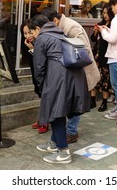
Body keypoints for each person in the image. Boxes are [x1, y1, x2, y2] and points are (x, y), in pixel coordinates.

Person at [31, 15, 89, 164]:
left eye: (32, 32)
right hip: (74, 77)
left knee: (55, 112)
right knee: (59, 110)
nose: (32, 36)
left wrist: (41, 87)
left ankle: (64, 153)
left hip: (58, 78)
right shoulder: (60, 33)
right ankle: (54, 143)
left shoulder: (42, 38)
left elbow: (38, 67)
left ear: (38, 29)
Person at [40, 8, 100, 144]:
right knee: (72, 102)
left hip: (81, 70)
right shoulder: (62, 25)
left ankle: (72, 132)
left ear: (55, 20)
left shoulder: (71, 27)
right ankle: (68, 132)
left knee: (75, 102)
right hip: (73, 70)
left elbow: (82, 48)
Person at [21, 19, 48, 134]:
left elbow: (40, 61)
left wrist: (32, 49)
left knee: (45, 98)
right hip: (36, 75)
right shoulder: (27, 43)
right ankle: (42, 119)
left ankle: (45, 122)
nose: (28, 35)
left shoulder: (40, 41)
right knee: (41, 97)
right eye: (25, 33)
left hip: (44, 75)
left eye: (29, 32)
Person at [90, 3, 114, 111]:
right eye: (104, 13)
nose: (105, 15)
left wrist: (103, 31)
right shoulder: (100, 24)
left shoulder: (113, 25)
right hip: (97, 55)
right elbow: (93, 39)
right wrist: (95, 32)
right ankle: (92, 100)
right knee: (94, 77)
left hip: (106, 56)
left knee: (105, 79)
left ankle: (104, 103)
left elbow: (110, 40)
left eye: (107, 13)